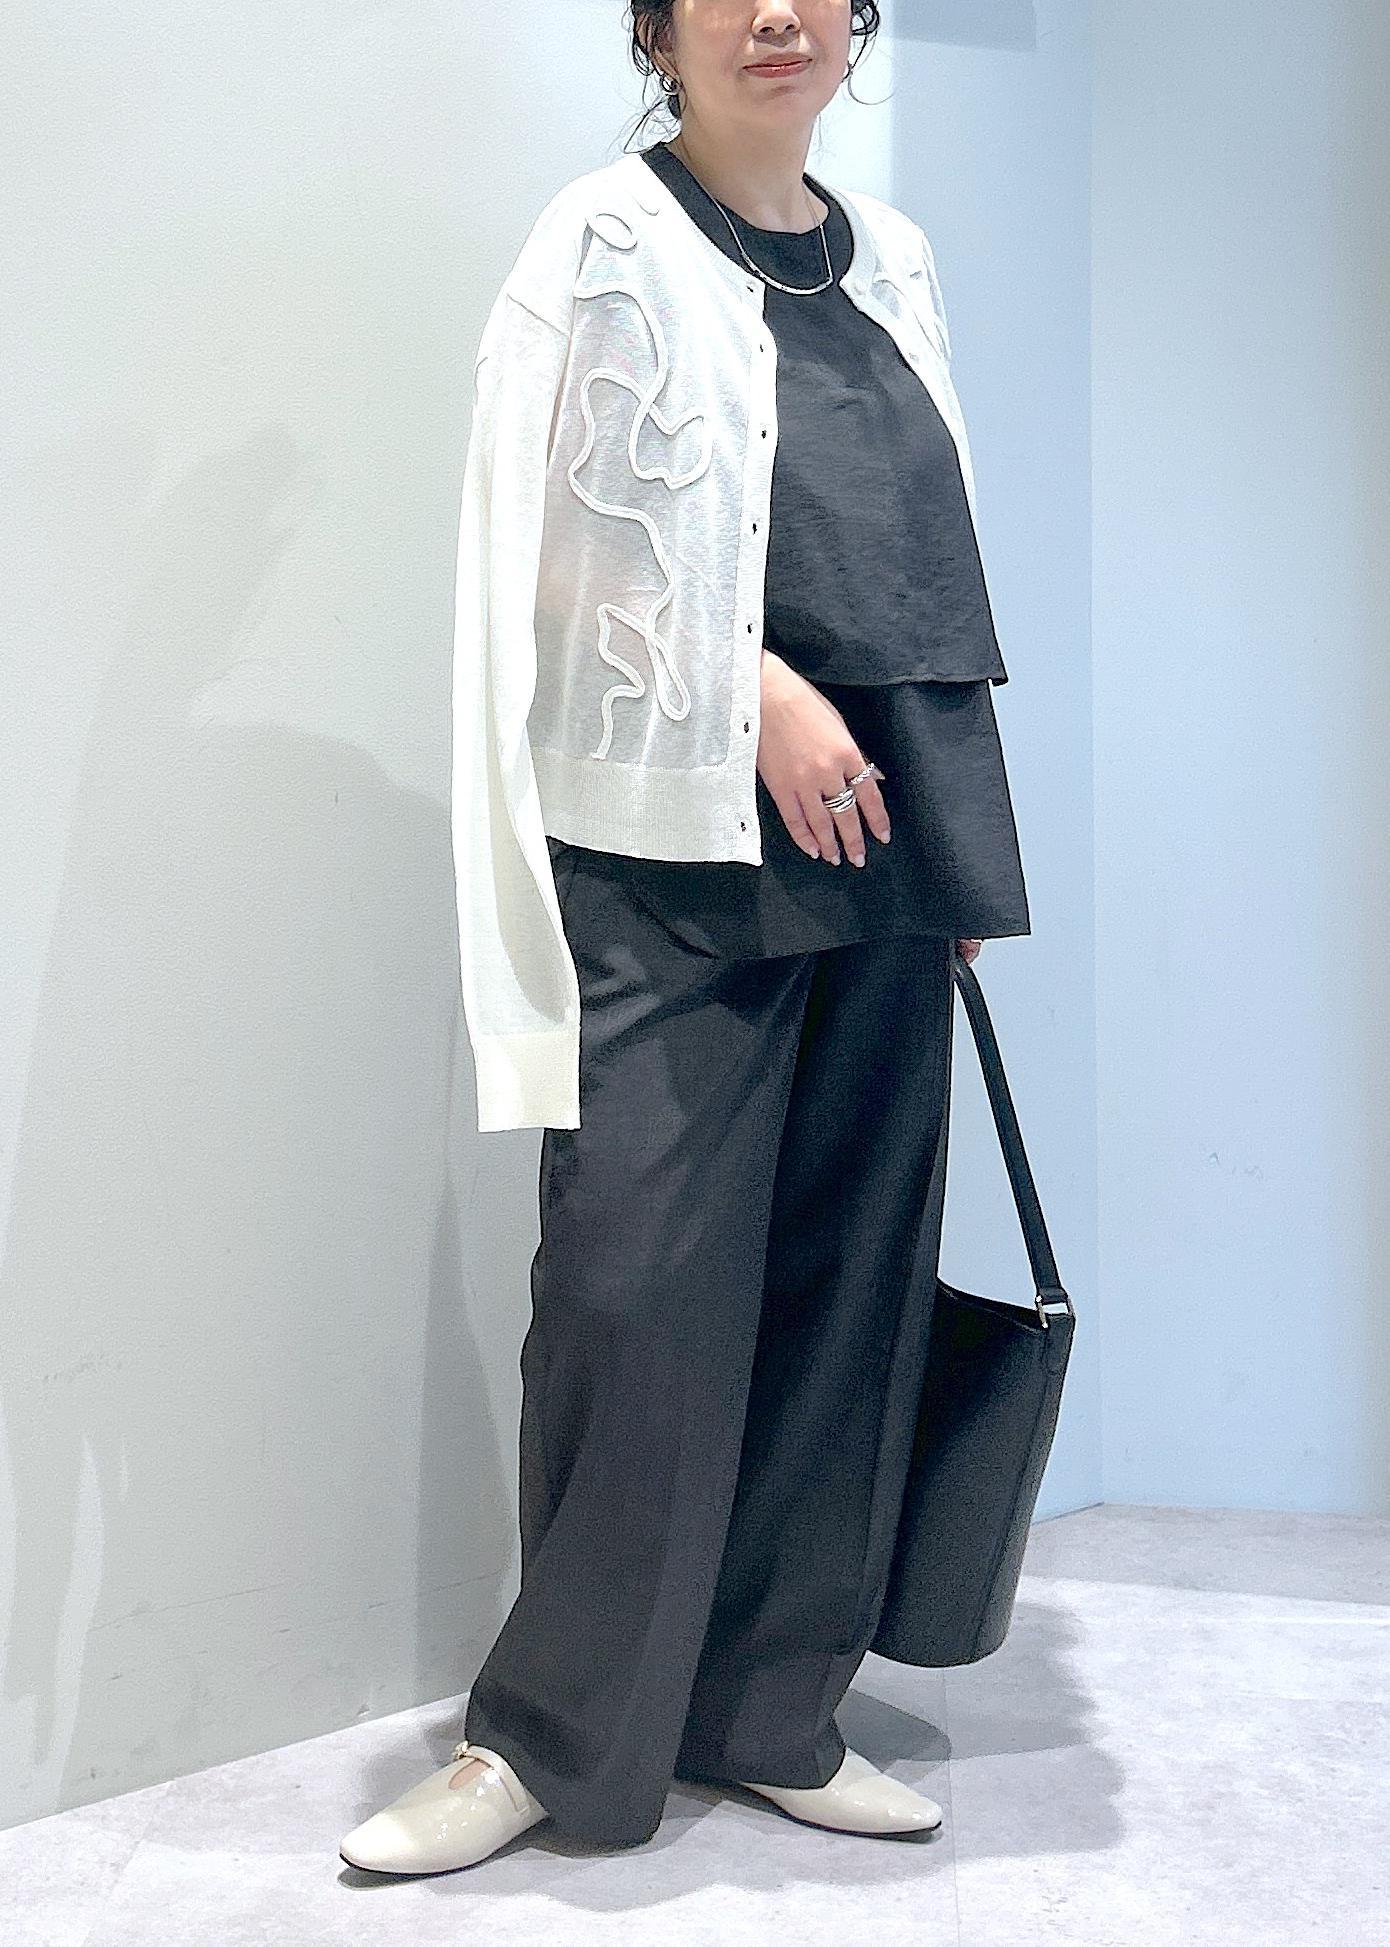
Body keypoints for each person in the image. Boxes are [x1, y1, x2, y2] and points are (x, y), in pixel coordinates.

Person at [340, 0, 1029, 1878]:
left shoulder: (893, 256)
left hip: (886, 842)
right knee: (632, 1294)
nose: (774, 17)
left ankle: (771, 1708)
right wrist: (751, 690)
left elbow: (924, 557)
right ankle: (546, 1739)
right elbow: (540, 542)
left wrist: (955, 848)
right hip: (670, 843)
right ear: (656, 28)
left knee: (847, 1290)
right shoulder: (602, 239)